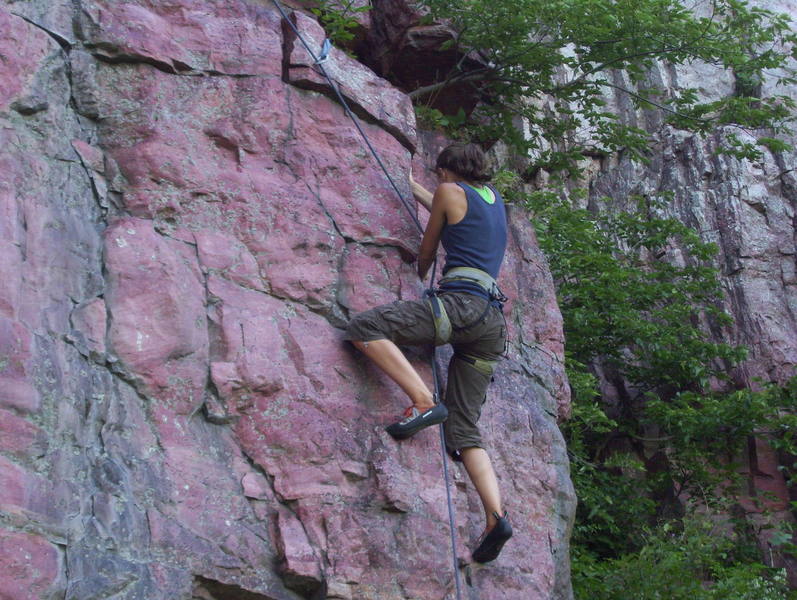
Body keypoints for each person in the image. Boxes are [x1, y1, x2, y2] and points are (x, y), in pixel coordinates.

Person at [344, 142, 513, 563]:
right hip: (491, 323)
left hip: (459, 306)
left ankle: (421, 401)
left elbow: (428, 248)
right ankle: (496, 517)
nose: (437, 181)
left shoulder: (448, 191)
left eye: (438, 175)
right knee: (464, 430)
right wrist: (414, 187)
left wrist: (419, 271)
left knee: (364, 326)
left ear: (447, 171)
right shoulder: (495, 200)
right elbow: (456, 212)